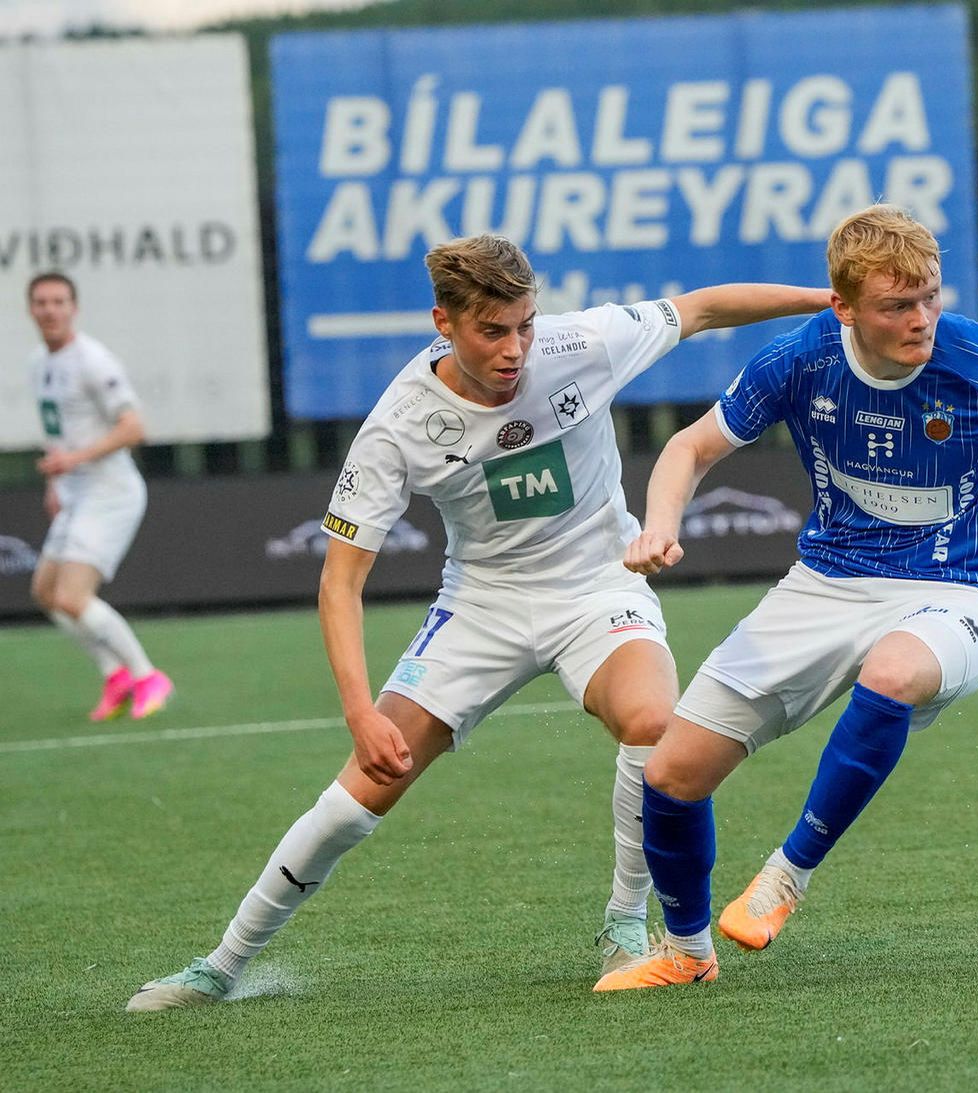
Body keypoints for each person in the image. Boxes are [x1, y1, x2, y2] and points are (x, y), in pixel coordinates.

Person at [127, 234, 831, 1010]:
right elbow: (339, 583)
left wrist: (828, 301)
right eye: (492, 330)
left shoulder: (580, 343)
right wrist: (360, 712)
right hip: (480, 605)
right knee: (362, 788)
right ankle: (221, 964)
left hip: (597, 587)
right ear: (445, 323)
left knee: (652, 721)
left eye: (524, 324)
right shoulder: (397, 423)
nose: (515, 348)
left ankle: (626, 922)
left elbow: (701, 309)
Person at [594, 205, 978, 991]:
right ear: (843, 307)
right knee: (670, 773)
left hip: (959, 590)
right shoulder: (803, 358)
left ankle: (785, 876)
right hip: (826, 583)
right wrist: (661, 524)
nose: (921, 321)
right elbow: (689, 446)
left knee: (893, 671)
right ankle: (687, 952)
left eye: (930, 299)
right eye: (896, 306)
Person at [26, 272, 173, 722]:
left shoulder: (93, 360)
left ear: (74, 308)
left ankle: (148, 675)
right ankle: (116, 676)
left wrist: (74, 461)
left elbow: (134, 428)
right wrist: (58, 481)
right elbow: (59, 435)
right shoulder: (39, 362)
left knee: (72, 596)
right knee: (46, 592)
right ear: (30, 310)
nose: (50, 309)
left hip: (110, 493)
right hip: (76, 494)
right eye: (41, 302)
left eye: (59, 301)